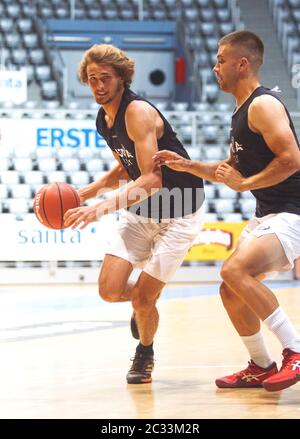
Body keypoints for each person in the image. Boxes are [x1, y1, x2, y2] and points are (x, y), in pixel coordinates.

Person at [154, 31, 300, 392]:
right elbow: (228, 170)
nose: (215, 66)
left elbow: (293, 159)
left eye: (221, 59)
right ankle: (261, 365)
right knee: (229, 289)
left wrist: (244, 184)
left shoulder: (263, 105)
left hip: (292, 210)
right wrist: (187, 166)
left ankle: (295, 351)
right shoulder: (240, 111)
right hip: (269, 211)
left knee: (234, 269)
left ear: (242, 63)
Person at [63, 44, 205, 384]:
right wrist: (81, 194)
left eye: (106, 78)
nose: (98, 86)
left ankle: (145, 350)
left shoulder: (137, 111)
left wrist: (99, 207)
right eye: (92, 79)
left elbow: (153, 178)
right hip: (143, 209)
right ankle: (147, 300)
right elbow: (125, 169)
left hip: (179, 210)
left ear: (122, 78)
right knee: (110, 290)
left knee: (142, 297)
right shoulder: (104, 118)